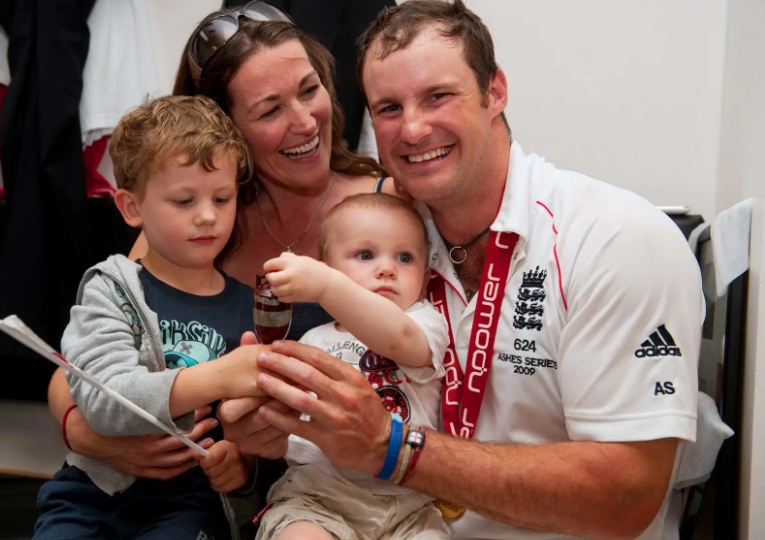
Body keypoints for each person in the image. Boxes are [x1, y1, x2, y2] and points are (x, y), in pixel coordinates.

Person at [218, 1, 706, 539]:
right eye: (387, 108)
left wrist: (392, 446)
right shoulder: (390, 236)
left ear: (494, 92)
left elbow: (626, 495)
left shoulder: (616, 239)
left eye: (437, 96)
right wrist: (274, 429)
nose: (413, 128)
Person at [48, 0, 396, 498]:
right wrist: (84, 434)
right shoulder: (198, 223)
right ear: (225, 129)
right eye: (270, 109)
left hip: (356, 492)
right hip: (225, 506)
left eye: (309, 90)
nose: (305, 122)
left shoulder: (387, 206)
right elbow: (76, 373)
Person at [33, 94, 269, 539]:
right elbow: (105, 401)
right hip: (91, 494)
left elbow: (264, 436)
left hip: (191, 506)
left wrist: (243, 466)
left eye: (222, 198)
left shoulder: (253, 310)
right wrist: (220, 376)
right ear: (131, 208)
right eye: (183, 201)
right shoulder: (110, 288)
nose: (207, 216)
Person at [256, 192, 449, 539]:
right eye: (365, 254)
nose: (388, 268)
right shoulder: (312, 340)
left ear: (425, 275)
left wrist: (329, 287)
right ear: (327, 265)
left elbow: (399, 339)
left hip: (409, 504)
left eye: (405, 257)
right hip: (319, 494)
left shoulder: (423, 323)